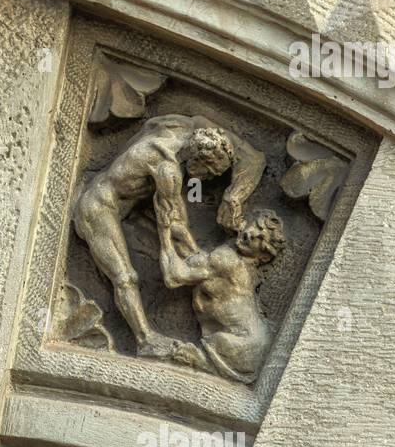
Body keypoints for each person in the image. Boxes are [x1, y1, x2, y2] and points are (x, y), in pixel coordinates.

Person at [72, 114, 264, 359]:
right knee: (125, 277)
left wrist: (232, 198)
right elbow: (172, 223)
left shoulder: (180, 130)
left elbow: (251, 157)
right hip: (96, 210)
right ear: (199, 161)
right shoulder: (168, 171)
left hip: (113, 202)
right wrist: (194, 260)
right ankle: (145, 340)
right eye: (208, 173)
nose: (203, 180)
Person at [153, 198, 285, 383]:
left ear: (263, 255)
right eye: (254, 225)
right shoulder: (241, 266)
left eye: (260, 238)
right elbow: (197, 258)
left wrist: (164, 232)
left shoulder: (227, 260)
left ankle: (201, 362)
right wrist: (178, 227)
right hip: (259, 343)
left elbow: (173, 276)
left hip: (239, 346)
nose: (250, 234)